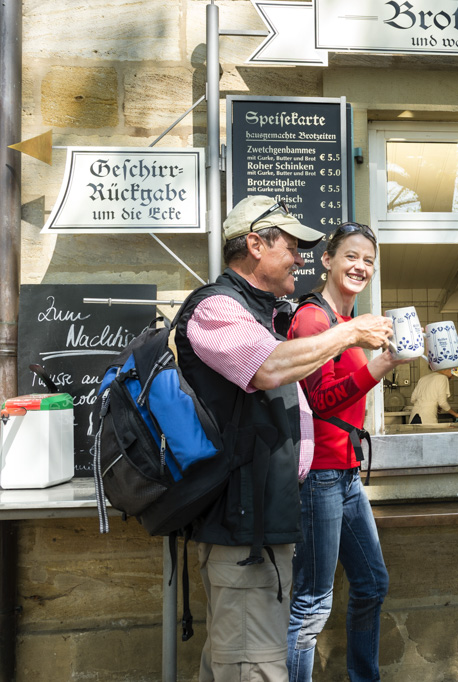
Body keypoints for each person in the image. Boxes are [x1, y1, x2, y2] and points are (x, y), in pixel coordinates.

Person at [174, 195, 394, 682]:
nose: (299, 257)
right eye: (291, 246)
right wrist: (351, 332)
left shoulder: (264, 313)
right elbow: (270, 368)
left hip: (265, 523)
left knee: (244, 662)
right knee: (254, 667)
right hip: (241, 528)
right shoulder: (216, 308)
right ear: (255, 244)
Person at [286, 222, 413, 682]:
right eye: (351, 256)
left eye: (368, 261)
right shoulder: (314, 319)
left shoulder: (351, 324)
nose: (360, 267)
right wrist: (380, 365)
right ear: (327, 260)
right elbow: (319, 400)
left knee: (372, 583)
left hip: (345, 473)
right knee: (313, 600)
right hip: (319, 473)